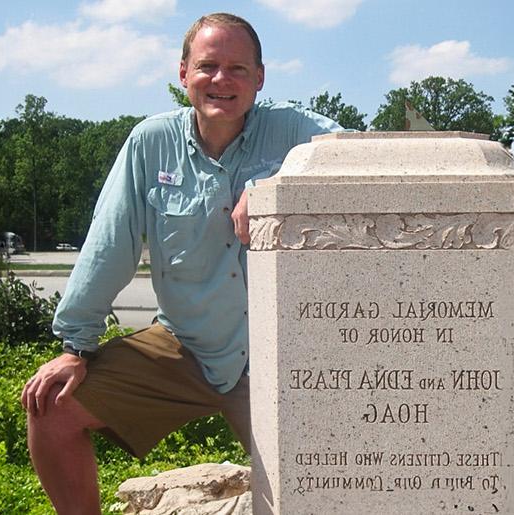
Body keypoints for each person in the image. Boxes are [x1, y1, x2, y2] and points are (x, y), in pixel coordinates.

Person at [20, 12, 343, 514]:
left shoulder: (298, 132)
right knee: (51, 407)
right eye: (208, 66)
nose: (222, 80)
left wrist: (275, 191)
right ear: (183, 74)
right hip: (184, 346)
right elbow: (111, 244)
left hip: (279, 357)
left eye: (238, 68)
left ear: (260, 78)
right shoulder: (150, 143)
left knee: (333, 484)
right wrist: (74, 347)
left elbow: (361, 161)